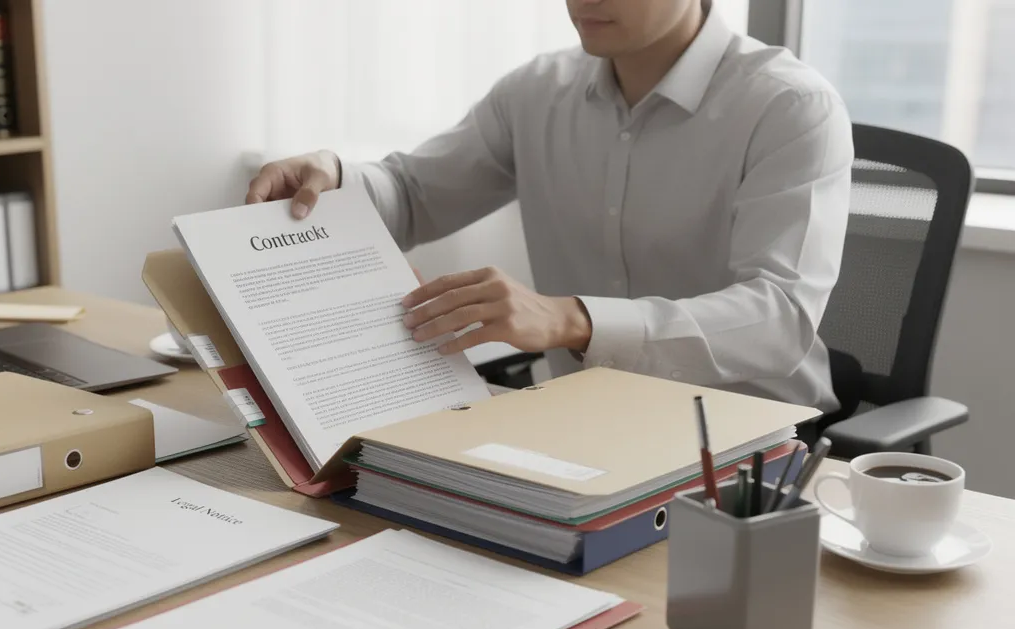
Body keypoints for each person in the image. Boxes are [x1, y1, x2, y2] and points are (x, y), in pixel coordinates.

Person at [245, 0, 853, 411]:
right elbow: (413, 194)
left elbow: (781, 318)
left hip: (745, 443)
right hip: (577, 419)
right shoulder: (537, 91)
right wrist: (338, 178)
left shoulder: (789, 107)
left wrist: (574, 320)